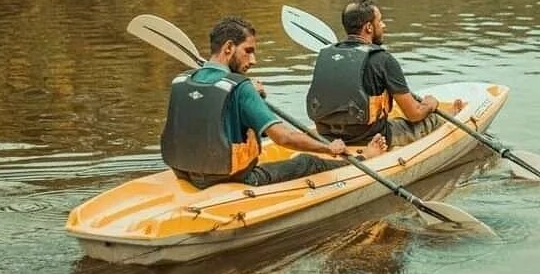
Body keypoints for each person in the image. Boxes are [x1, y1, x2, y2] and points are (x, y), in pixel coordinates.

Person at [161, 15, 387, 189]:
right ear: (228, 48)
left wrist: (250, 93)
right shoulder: (241, 88)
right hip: (236, 179)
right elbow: (283, 138)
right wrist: (327, 147)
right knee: (307, 163)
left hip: (186, 174)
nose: (253, 60)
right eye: (248, 51)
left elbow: (211, 116)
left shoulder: (183, 81)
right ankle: (365, 157)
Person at [306, 0, 463, 147]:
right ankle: (451, 119)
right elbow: (413, 114)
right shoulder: (383, 59)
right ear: (368, 27)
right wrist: (430, 104)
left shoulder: (325, 56)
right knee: (431, 119)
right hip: (370, 138)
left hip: (328, 136)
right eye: (380, 21)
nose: (383, 25)